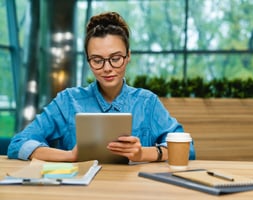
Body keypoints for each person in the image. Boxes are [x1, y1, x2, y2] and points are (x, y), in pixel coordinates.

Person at [7, 11, 195, 162]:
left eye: (115, 59)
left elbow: (188, 148)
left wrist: (143, 154)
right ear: (88, 62)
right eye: (97, 60)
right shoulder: (68, 101)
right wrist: (70, 156)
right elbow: (18, 144)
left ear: (128, 56)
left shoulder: (147, 103)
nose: (107, 68)